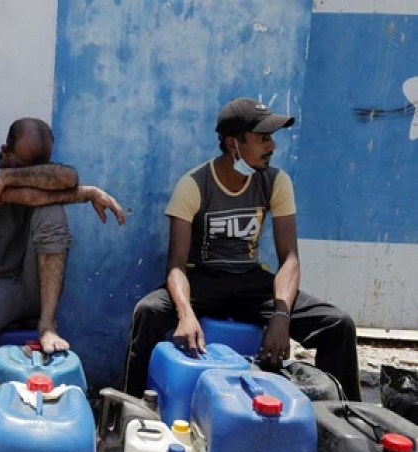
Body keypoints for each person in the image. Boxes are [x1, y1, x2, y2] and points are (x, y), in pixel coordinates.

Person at [120, 97, 361, 401]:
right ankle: (128, 411)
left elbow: (290, 258)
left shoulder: (276, 182)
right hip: (202, 280)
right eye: (263, 139)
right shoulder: (194, 184)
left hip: (250, 280)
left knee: (338, 325)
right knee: (148, 312)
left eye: (271, 138)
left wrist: (280, 315)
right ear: (234, 144)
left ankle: (344, 420)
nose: (272, 146)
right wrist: (185, 314)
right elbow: (176, 266)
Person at [0, 118, 126, 389]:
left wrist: (9, 175)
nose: (35, 173)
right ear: (4, 151)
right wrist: (85, 194)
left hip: (38, 284)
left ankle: (47, 323)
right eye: (24, 166)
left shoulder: (11, 172)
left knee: (52, 212)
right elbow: (30, 196)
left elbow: (69, 177)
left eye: (40, 167)